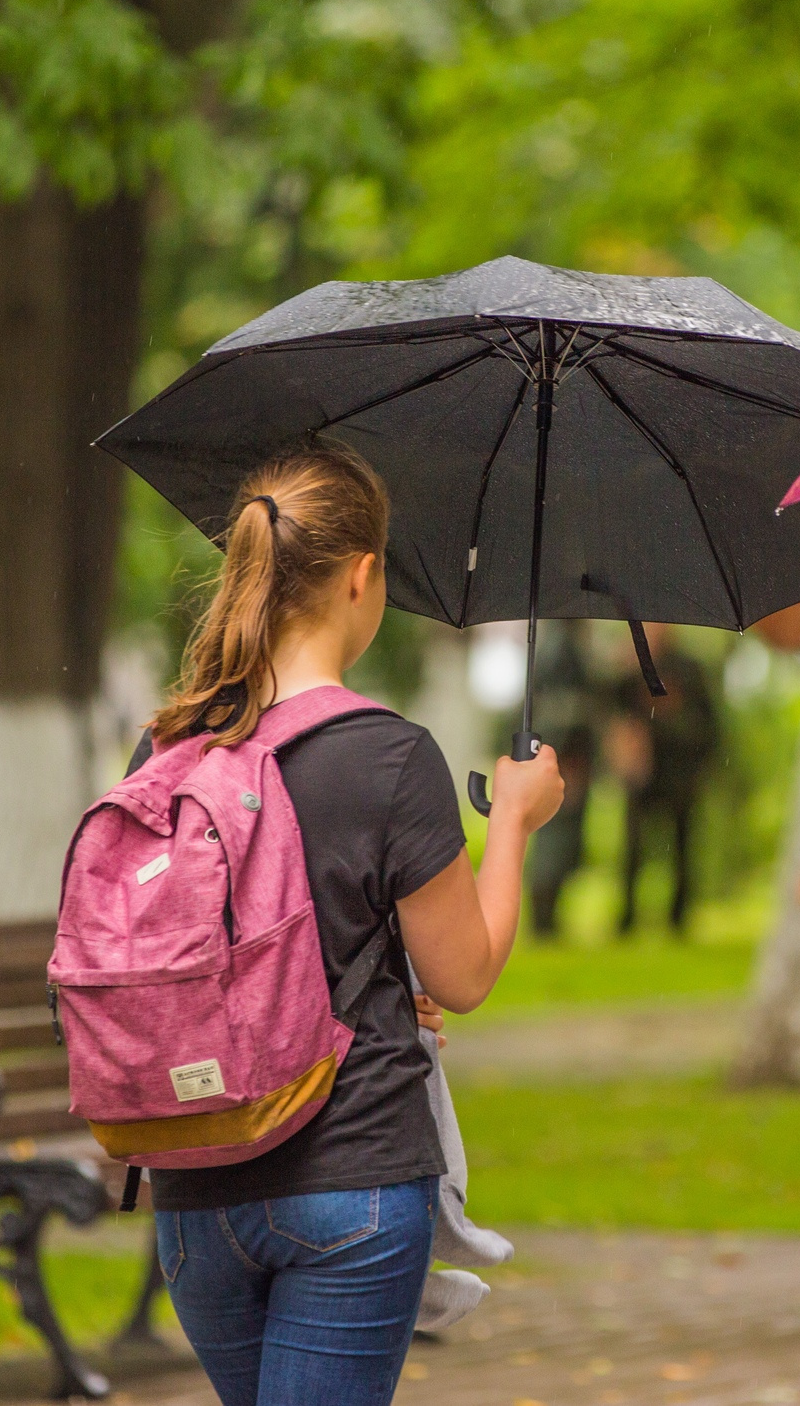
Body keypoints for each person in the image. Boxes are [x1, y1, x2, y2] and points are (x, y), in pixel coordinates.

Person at [137, 444, 566, 1406]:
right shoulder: (387, 755)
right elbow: (463, 974)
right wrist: (515, 823)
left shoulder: (169, 743)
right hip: (350, 1180)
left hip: (194, 1190)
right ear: (364, 575)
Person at [606, 623, 721, 937]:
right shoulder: (630, 670)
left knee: (682, 847)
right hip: (642, 774)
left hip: (679, 774)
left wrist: (700, 768)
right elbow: (613, 713)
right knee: (633, 848)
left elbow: (707, 723)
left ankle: (678, 917)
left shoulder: (688, 669)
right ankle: (627, 917)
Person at [522, 620, 601, 938]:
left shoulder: (558, 647)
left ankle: (547, 919)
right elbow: (566, 711)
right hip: (564, 757)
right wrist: (569, 757)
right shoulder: (563, 650)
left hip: (560, 753)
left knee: (558, 841)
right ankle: (543, 920)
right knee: (554, 841)